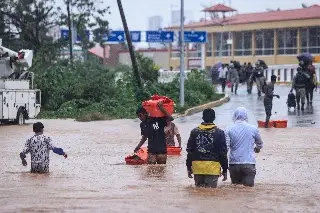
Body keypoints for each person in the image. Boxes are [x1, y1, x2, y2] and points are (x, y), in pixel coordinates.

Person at [186, 108, 228, 188]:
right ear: (214, 118)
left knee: (199, 194)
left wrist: (189, 167)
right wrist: (225, 170)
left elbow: (190, 151)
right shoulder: (219, 133)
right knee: (210, 195)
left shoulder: (194, 131)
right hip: (212, 168)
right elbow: (222, 153)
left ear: (202, 118)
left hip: (197, 168)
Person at [225, 107, 263, 187]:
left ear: (235, 116)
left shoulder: (228, 129)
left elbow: (226, 147)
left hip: (234, 164)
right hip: (249, 163)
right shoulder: (253, 128)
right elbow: (260, 143)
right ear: (246, 116)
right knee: (248, 192)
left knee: (235, 190)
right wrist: (257, 149)